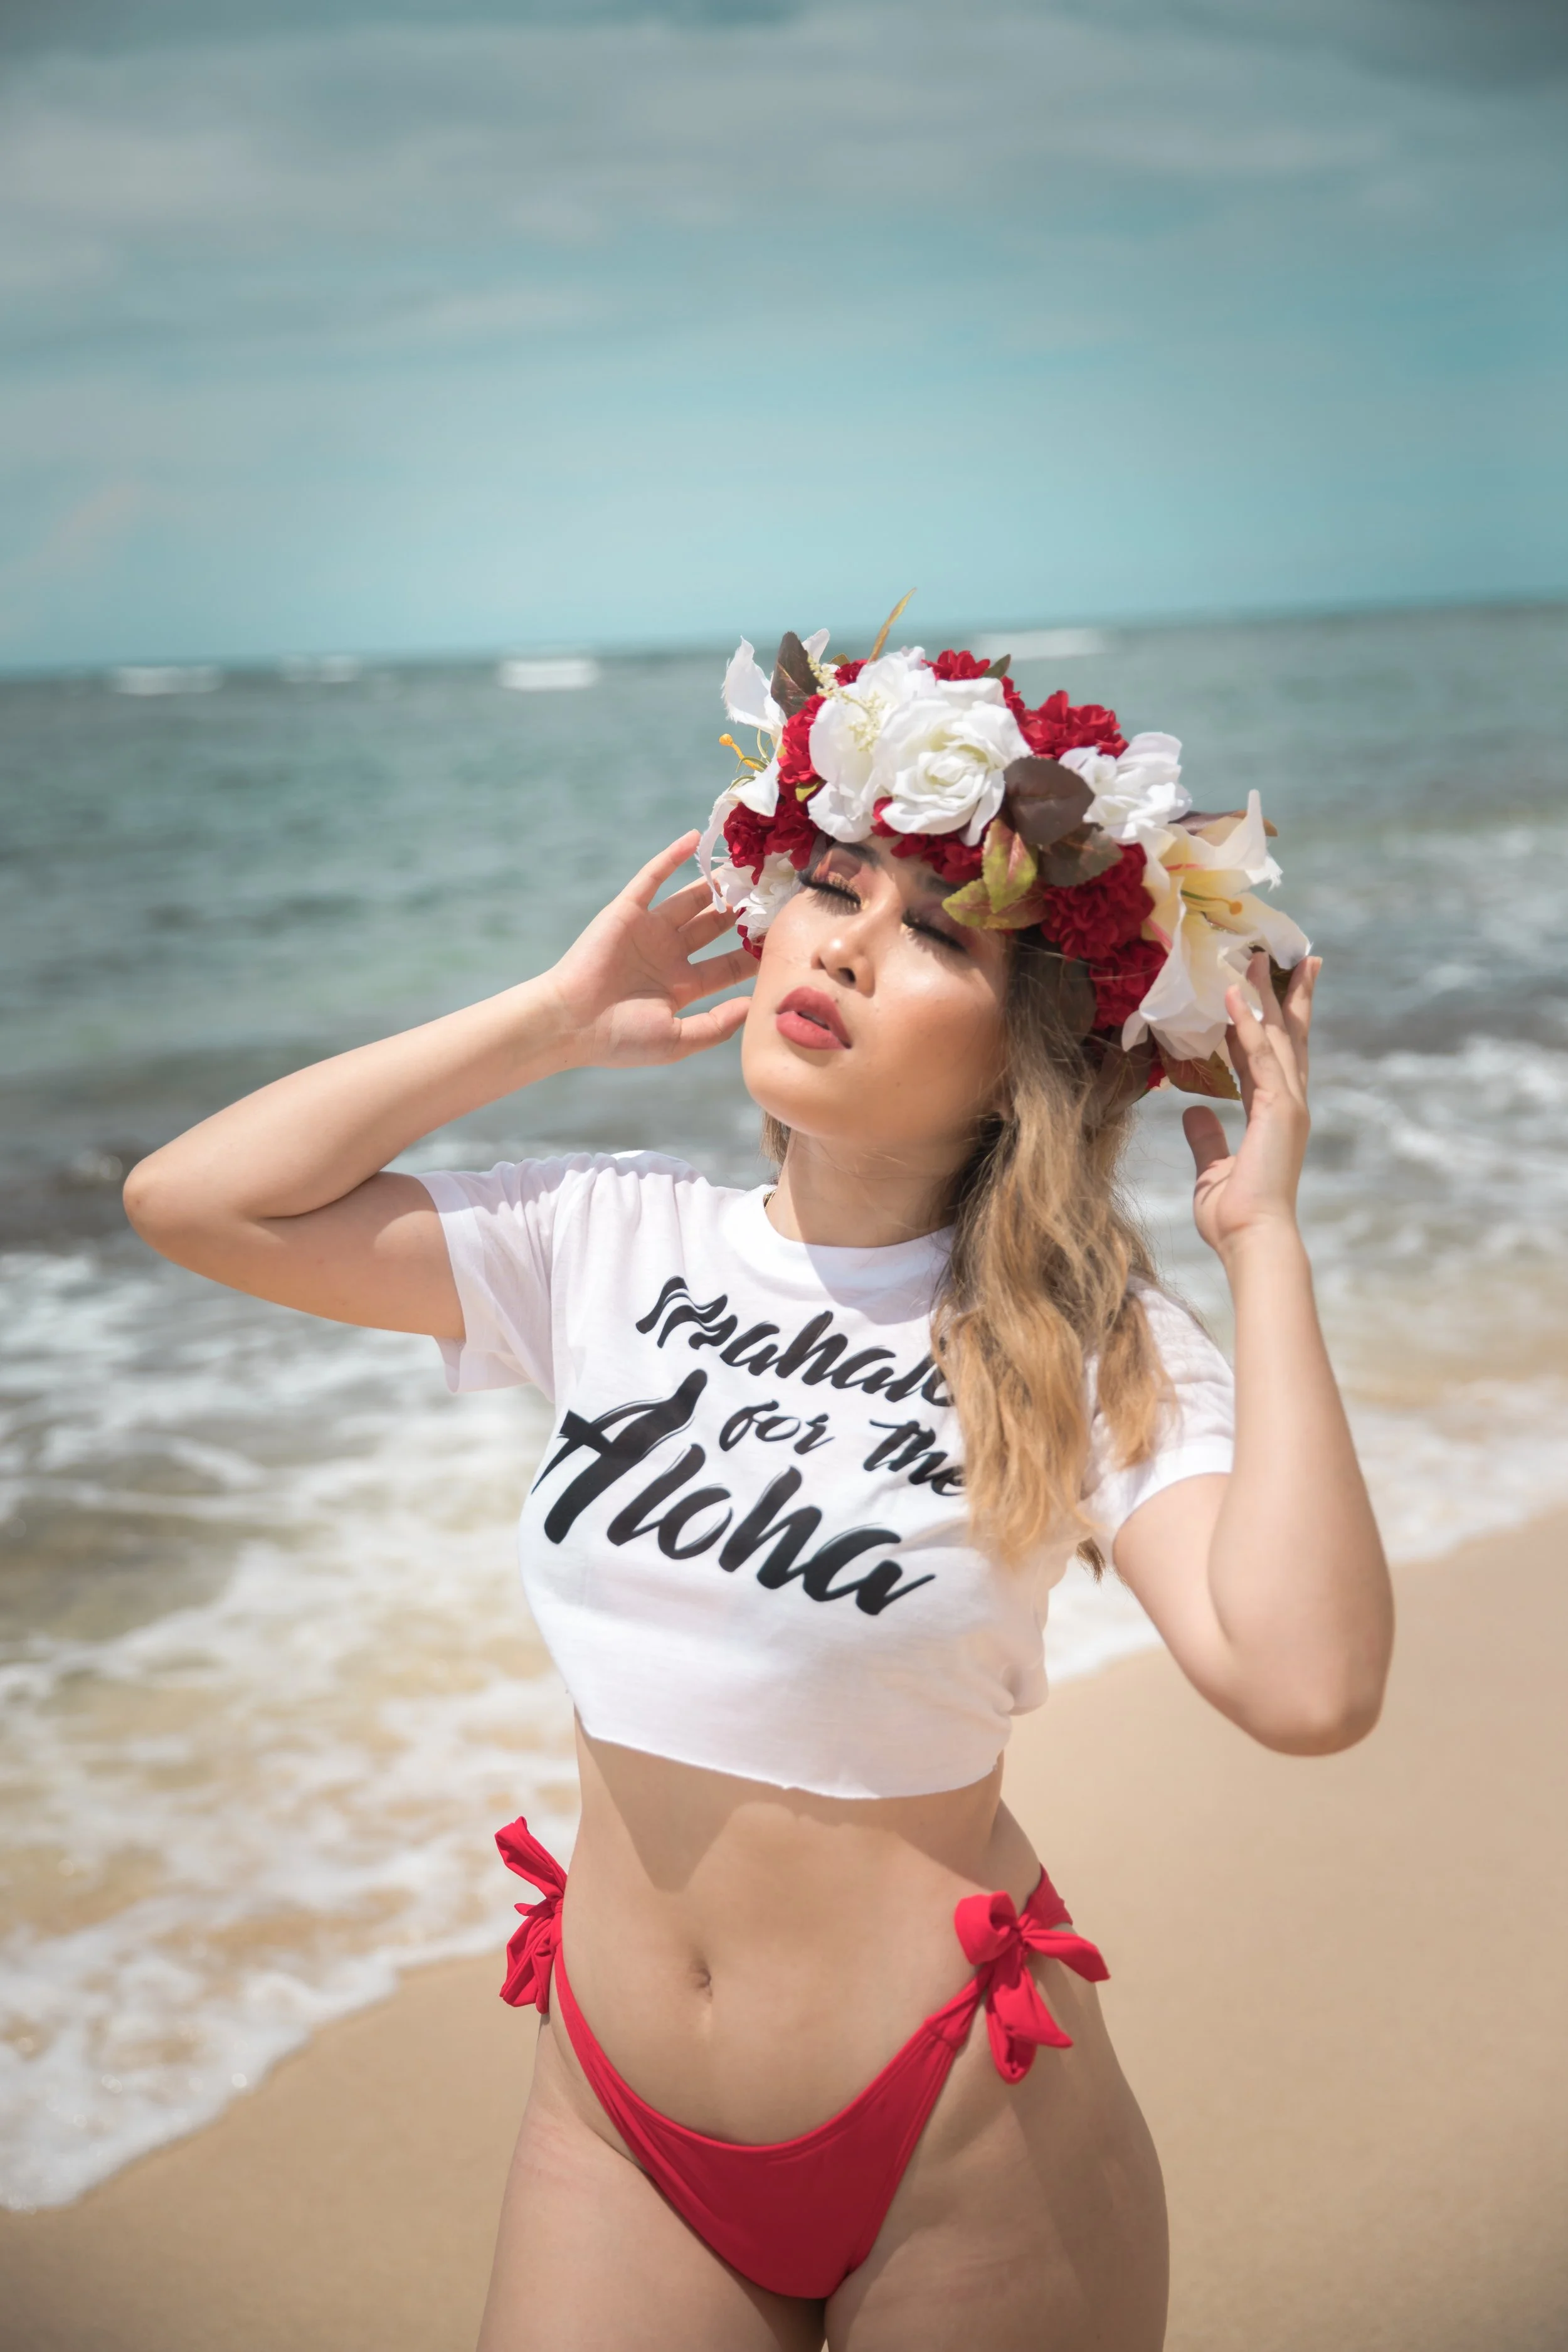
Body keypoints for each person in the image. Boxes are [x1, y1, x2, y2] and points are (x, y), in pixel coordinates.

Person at [124, 623, 1392, 2352]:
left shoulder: (1078, 1332)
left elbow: (1304, 1681)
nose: (848, 944)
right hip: (614, 2127)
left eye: (932, 929)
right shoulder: (607, 1236)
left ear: (1027, 1046)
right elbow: (197, 1205)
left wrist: (1259, 1248)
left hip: (958, 2135)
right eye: (834, 884)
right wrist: (550, 1023)